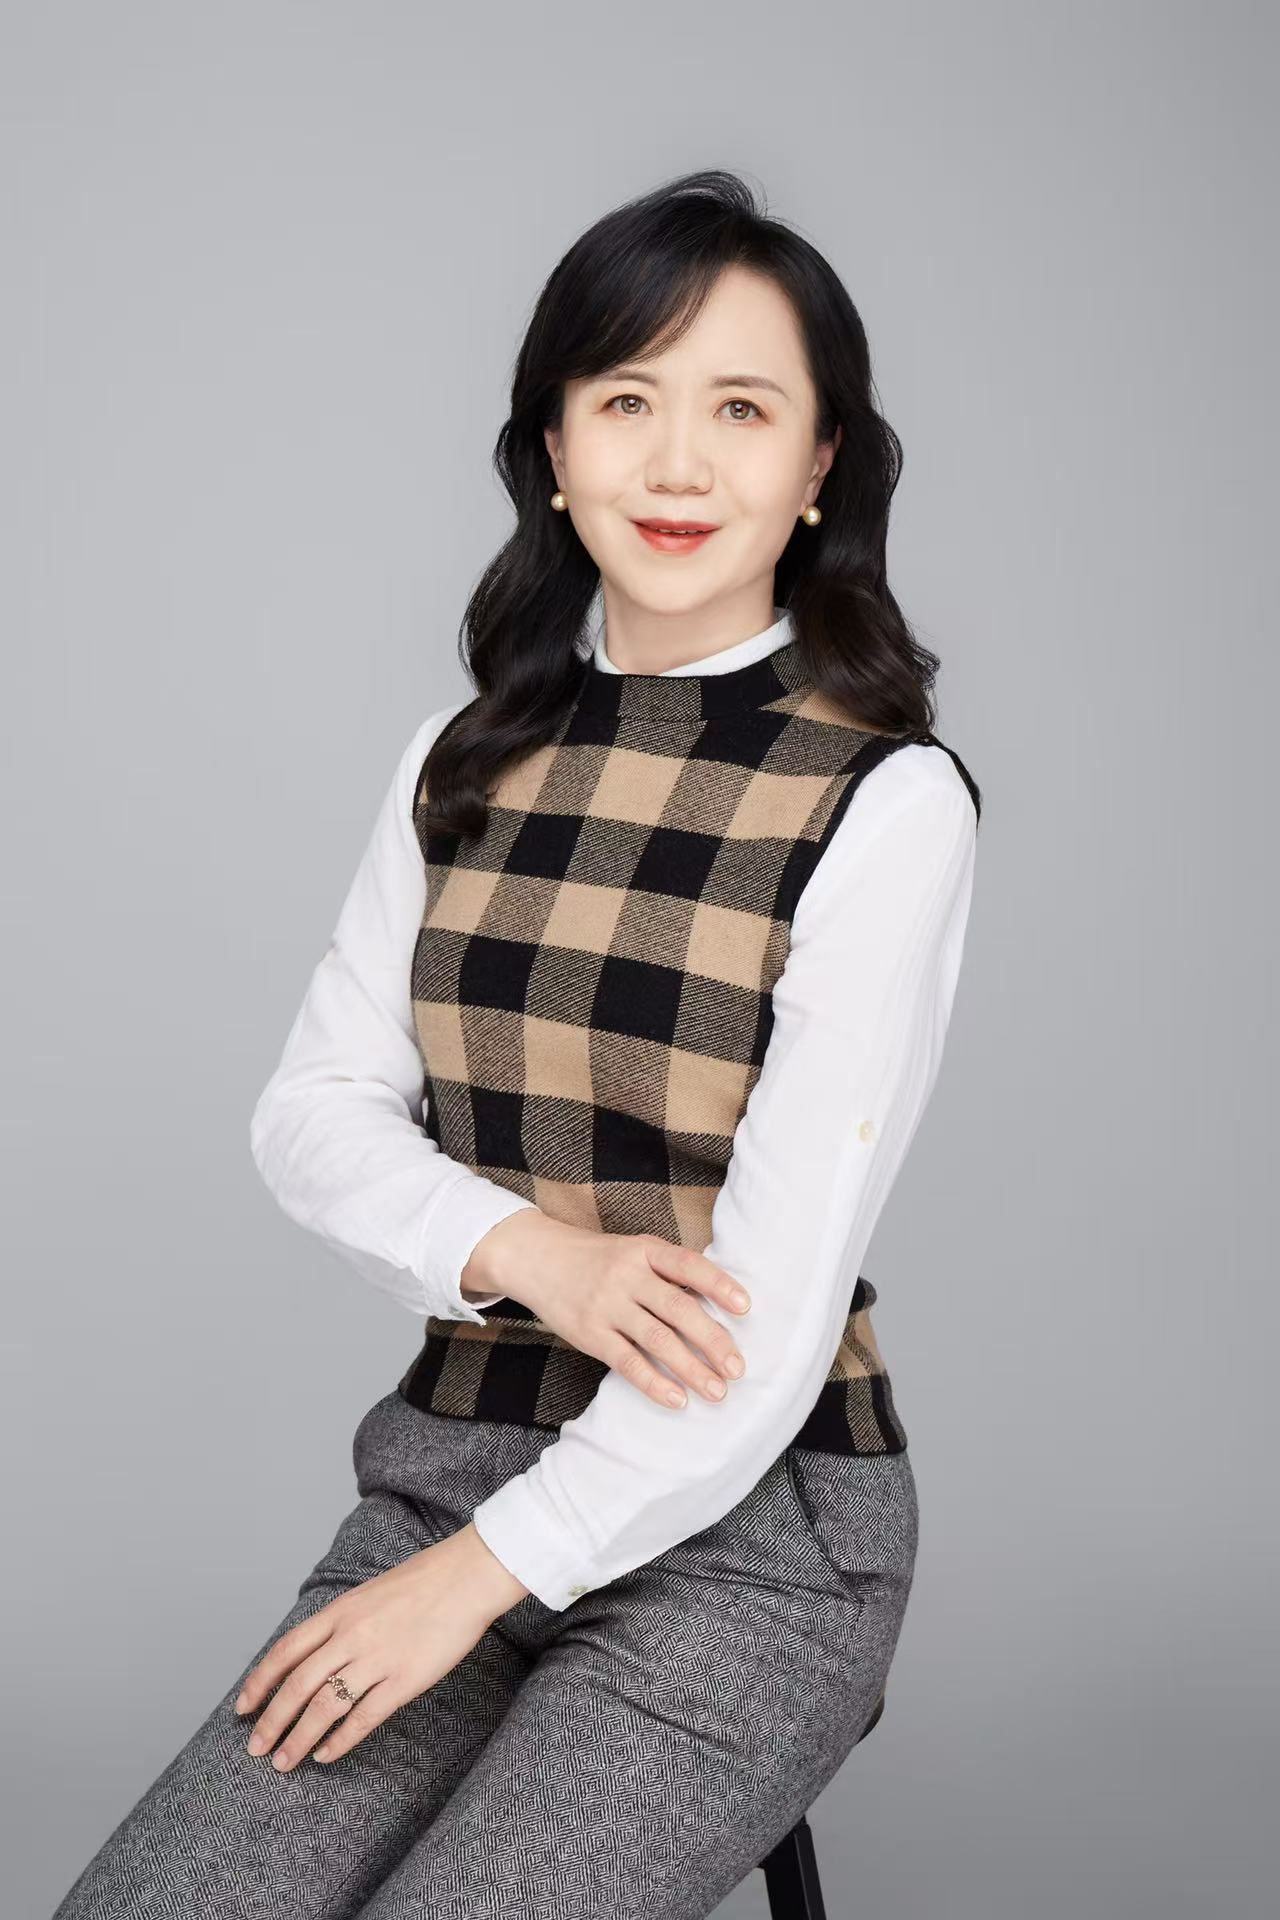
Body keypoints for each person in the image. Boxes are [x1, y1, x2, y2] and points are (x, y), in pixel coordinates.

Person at [54, 167, 982, 1919]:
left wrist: (477, 1580)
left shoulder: (884, 797)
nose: (679, 462)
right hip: (450, 1469)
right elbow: (314, 1116)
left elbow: (764, 1330)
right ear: (554, 450)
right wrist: (534, 1257)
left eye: (741, 409)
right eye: (626, 401)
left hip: (752, 1544)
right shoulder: (460, 758)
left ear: (821, 466)